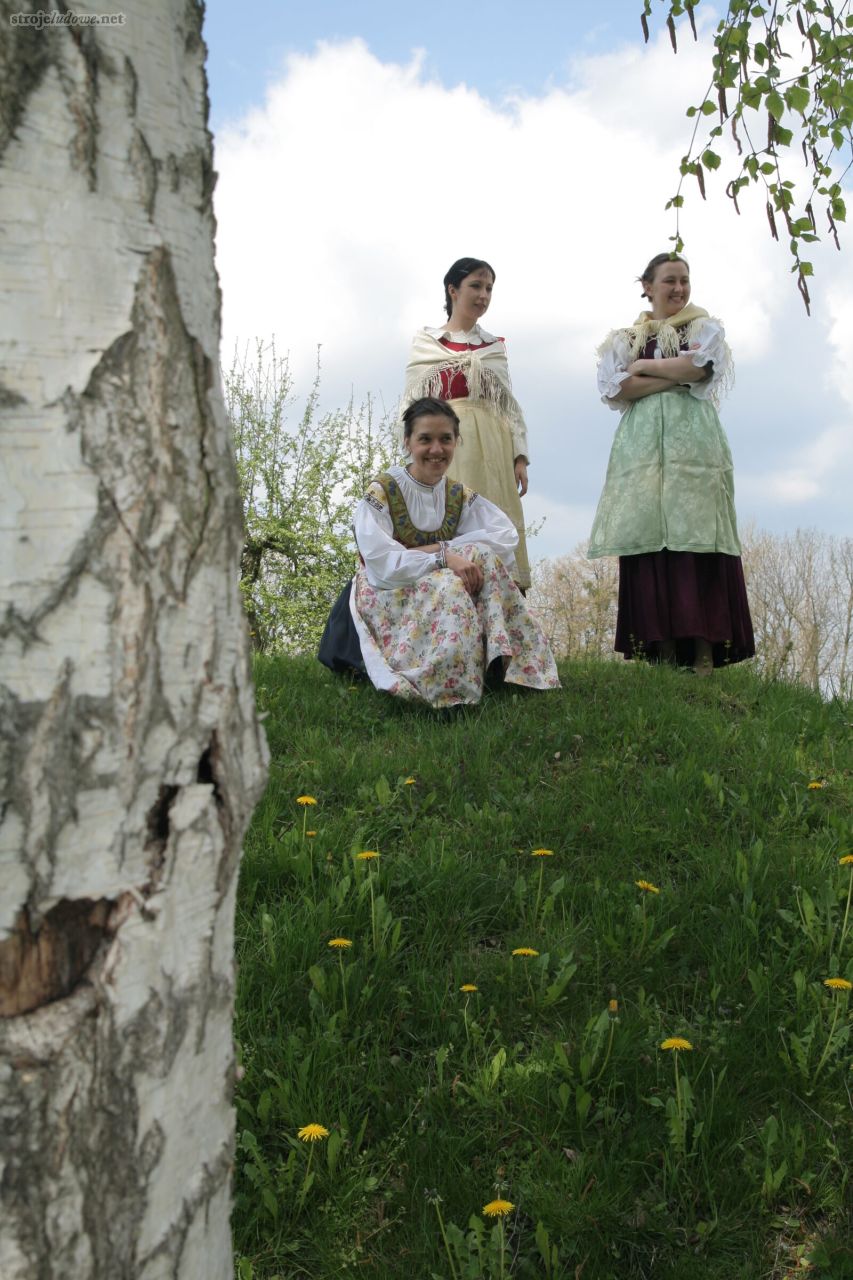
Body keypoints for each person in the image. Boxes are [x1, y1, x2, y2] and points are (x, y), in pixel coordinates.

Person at [321, 397, 559, 707]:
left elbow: (504, 536)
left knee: (484, 558)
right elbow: (382, 565)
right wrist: (443, 558)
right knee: (450, 584)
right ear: (407, 442)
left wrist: (445, 550)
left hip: (428, 585)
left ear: (456, 441)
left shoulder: (456, 494)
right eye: (425, 439)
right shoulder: (383, 491)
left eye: (445, 439)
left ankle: (518, 668)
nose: (437, 449)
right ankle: (447, 690)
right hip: (386, 591)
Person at [588, 253, 755, 675]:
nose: (679, 289)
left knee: (697, 536)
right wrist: (674, 375)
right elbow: (616, 387)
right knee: (648, 537)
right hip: (641, 450)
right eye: (669, 281)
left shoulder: (703, 328)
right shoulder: (624, 339)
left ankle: (703, 654)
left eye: (684, 280)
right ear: (647, 287)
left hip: (693, 446)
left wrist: (644, 367)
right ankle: (660, 653)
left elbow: (699, 368)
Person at [403, 258, 532, 590]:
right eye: (475, 286)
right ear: (453, 290)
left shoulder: (494, 347)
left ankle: (501, 593)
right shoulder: (427, 344)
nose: (483, 295)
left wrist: (519, 456)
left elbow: (509, 407)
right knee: (453, 515)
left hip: (495, 449)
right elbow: (411, 406)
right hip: (448, 447)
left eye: (489, 288)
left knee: (495, 517)